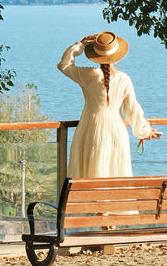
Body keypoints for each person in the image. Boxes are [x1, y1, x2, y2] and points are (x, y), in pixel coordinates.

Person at [58, 30, 161, 178]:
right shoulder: (124, 79)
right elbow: (132, 110)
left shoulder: (87, 75)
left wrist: (79, 45)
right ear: (117, 57)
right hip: (116, 131)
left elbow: (64, 65)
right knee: (115, 172)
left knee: (90, 173)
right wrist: (144, 132)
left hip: (90, 129)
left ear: (96, 56)